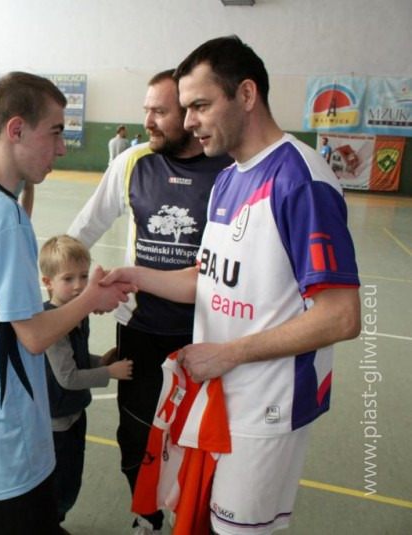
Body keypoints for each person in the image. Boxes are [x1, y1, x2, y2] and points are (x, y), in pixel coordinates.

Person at [103, 35, 361, 535]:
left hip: (268, 406)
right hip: (220, 396)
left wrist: (228, 354)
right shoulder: (229, 177)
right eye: (186, 108)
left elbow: (341, 317)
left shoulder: (300, 180)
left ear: (246, 94)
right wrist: (136, 277)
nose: (188, 121)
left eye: (200, 105)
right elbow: (207, 279)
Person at [0, 72, 134, 535]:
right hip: (10, 436)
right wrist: (91, 297)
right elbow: (32, 336)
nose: (62, 148)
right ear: (16, 129)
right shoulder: (4, 218)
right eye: (55, 132)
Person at [68, 69, 232, 535]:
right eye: (147, 110)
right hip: (140, 329)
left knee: (199, 437)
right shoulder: (133, 163)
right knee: (136, 434)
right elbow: (83, 230)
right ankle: (148, 516)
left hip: (206, 334)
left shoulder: (229, 171)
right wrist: (61, 292)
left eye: (160, 112)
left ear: (190, 113)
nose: (148, 121)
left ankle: (193, 519)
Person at [38, 235, 134, 529]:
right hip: (56, 420)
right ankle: (47, 524)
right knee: (59, 483)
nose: (79, 285)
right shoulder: (52, 321)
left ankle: (54, 520)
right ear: (48, 282)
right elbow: (67, 377)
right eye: (68, 279)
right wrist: (110, 373)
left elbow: (75, 360)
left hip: (74, 412)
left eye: (83, 276)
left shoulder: (80, 314)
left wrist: (99, 361)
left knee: (71, 477)